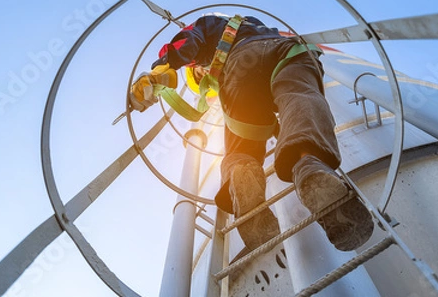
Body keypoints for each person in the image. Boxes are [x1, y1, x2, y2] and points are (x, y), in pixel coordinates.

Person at [130, 13, 373, 251]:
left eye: (199, 71)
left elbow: (187, 40)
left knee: (241, 138)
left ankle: (241, 177)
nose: (203, 72)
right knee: (300, 96)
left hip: (239, 66)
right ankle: (310, 165)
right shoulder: (252, 24)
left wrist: (163, 68)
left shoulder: (207, 25)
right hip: (287, 50)